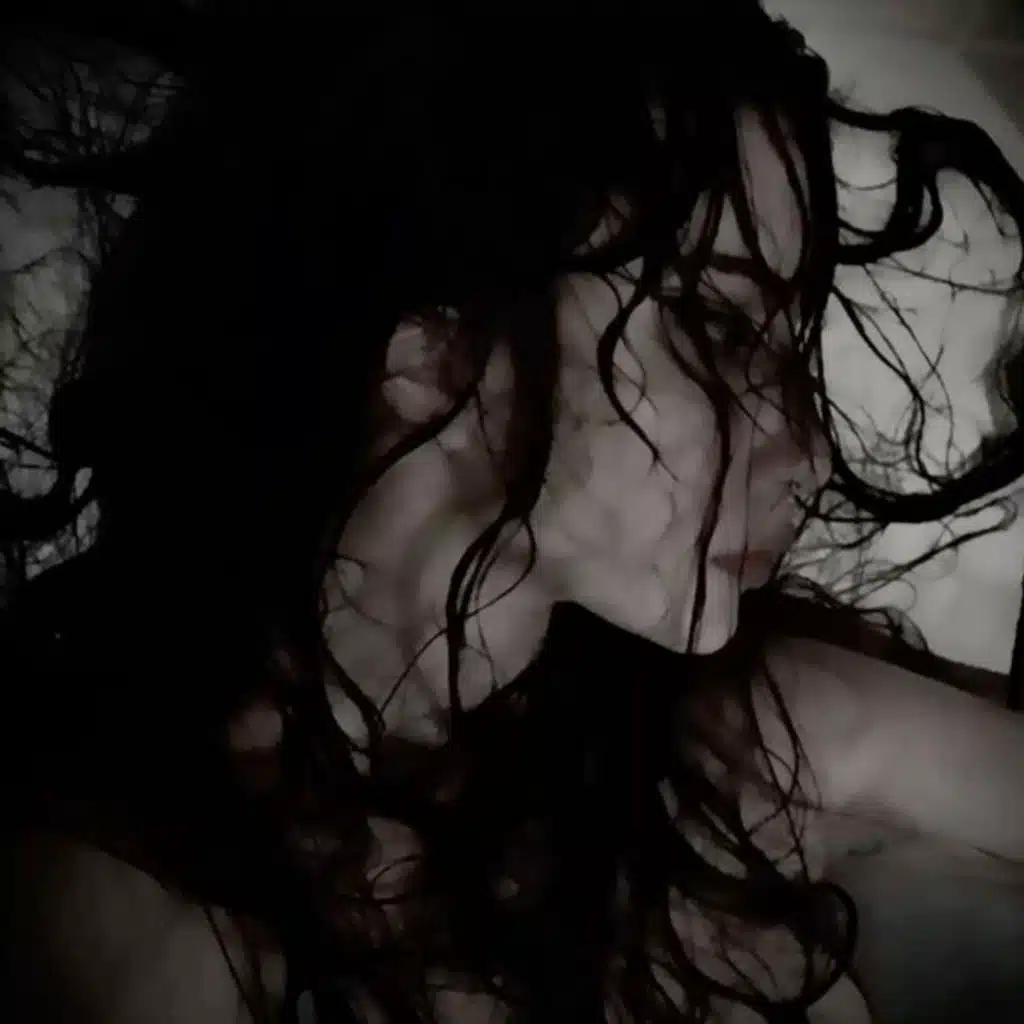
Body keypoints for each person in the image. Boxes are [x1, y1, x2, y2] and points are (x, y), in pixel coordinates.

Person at [1, 6, 1023, 1023]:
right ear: (434, 355)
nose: (808, 453)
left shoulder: (734, 736)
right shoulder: (132, 927)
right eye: (718, 328)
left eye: (789, 353)